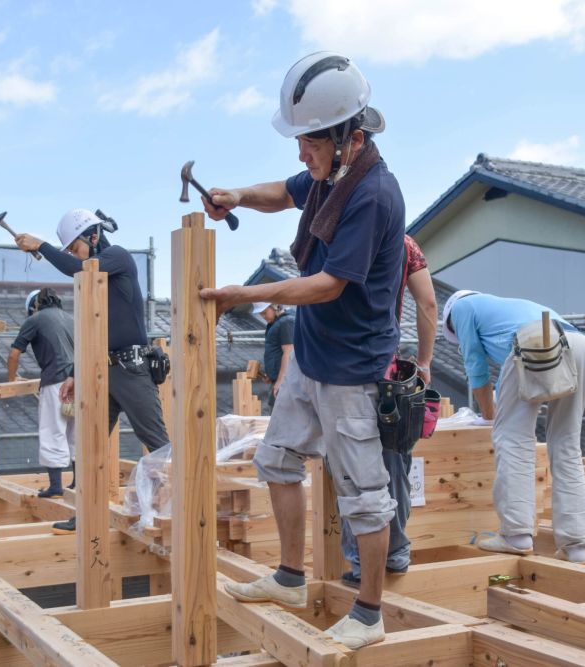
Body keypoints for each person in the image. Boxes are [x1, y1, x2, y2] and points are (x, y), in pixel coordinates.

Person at [199, 51, 403, 649]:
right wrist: (236, 194)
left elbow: (327, 284)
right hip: (313, 357)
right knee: (277, 461)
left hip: (353, 371)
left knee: (365, 495)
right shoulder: (328, 177)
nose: (301, 154)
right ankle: (290, 577)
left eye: (310, 142)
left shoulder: (374, 195)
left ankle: (369, 614)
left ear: (351, 137)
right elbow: (281, 193)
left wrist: (245, 292)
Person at [14, 209, 171, 534]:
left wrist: (41, 245)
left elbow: (80, 268)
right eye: (69, 249)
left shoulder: (117, 258)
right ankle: (84, 514)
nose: (73, 254)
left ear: (94, 237)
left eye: (75, 247)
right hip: (104, 370)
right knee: (89, 446)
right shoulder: (98, 279)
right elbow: (95, 330)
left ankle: (181, 509)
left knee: (157, 444)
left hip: (131, 367)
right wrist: (77, 373)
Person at [441, 291, 585, 563]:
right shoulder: (506, 310)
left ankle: (516, 535)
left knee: (512, 438)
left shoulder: (461, 307)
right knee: (566, 443)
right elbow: (509, 380)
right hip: (580, 345)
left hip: (537, 344)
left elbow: (475, 367)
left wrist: (489, 417)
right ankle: (576, 545)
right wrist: (497, 407)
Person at [339, 234, 437, 586]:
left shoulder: (343, 235)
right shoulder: (405, 243)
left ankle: (364, 566)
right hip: (389, 371)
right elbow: (427, 303)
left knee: (353, 468)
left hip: (344, 370)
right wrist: (423, 363)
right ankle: (395, 553)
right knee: (395, 461)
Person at [8, 287, 76, 498]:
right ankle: (77, 485)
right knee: (76, 434)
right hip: (80, 381)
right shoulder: (70, 318)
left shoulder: (35, 319)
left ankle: (56, 486)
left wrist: (12, 378)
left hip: (56, 382)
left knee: (52, 431)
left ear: (33, 306)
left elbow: (14, 353)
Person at [252, 302, 294, 407]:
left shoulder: (286, 322)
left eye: (264, 312)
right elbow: (277, 353)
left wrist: (280, 381)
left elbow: (289, 352)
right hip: (280, 381)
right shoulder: (275, 324)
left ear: (275, 306)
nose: (263, 316)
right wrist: (272, 375)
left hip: (286, 383)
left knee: (280, 418)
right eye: (260, 314)